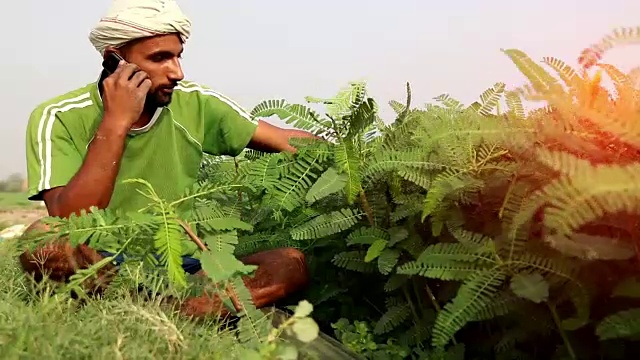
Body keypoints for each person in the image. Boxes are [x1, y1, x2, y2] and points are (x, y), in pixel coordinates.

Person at [19, 0, 313, 318]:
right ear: (114, 60)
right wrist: (116, 122)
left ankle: (165, 311)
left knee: (289, 263)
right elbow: (69, 217)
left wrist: (357, 149)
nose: (177, 72)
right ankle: (132, 304)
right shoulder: (58, 116)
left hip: (184, 269)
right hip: (100, 267)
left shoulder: (196, 103)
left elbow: (285, 141)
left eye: (177, 55)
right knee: (43, 240)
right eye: (160, 58)